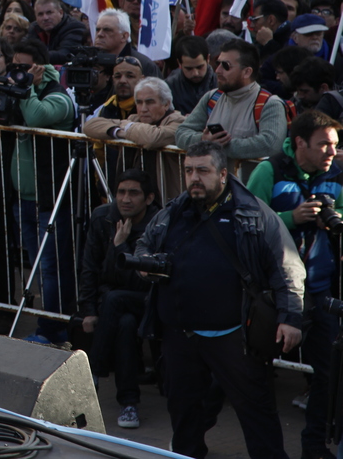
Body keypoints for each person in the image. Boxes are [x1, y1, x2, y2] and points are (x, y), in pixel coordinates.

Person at [136, 140, 304, 459]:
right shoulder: (174, 211)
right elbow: (144, 245)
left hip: (234, 336)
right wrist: (145, 265)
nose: (194, 178)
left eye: (203, 170)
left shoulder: (253, 213)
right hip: (180, 335)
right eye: (188, 171)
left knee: (256, 412)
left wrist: (290, 317)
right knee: (183, 412)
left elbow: (287, 267)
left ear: (223, 174)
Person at [245, 110, 342, 459]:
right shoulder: (268, 171)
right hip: (274, 294)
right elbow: (246, 223)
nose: (332, 152)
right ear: (300, 142)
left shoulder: (337, 175)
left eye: (335, 144)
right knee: (246, 372)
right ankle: (192, 436)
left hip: (320, 290)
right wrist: (291, 218)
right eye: (324, 144)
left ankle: (313, 446)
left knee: (329, 373)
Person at [0, 39, 78, 344]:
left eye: (25, 67)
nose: (19, 72)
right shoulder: (19, 90)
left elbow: (36, 117)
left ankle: (53, 330)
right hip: (24, 199)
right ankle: (49, 327)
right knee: (38, 268)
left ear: (42, 67)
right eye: (15, 66)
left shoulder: (58, 96)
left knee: (51, 268)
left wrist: (26, 87)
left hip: (51, 198)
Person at [76, 169, 158, 430]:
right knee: (124, 323)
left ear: (148, 198)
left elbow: (142, 281)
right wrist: (89, 310)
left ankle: (93, 371)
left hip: (146, 298)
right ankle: (129, 403)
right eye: (121, 192)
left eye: (133, 193)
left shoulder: (157, 225)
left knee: (116, 300)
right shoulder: (102, 217)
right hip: (112, 300)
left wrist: (120, 246)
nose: (125, 199)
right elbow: (89, 268)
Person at [175, 39, 289, 177]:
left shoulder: (270, 104)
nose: (217, 70)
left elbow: (270, 144)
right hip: (214, 188)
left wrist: (217, 147)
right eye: (218, 63)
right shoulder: (212, 98)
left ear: (246, 72)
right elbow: (181, 133)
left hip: (248, 190)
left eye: (226, 66)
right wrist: (203, 140)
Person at [93, 9, 159, 77]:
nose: (99, 34)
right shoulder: (90, 62)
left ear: (124, 36)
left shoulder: (144, 65)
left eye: (107, 30)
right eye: (97, 30)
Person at [28, 0, 88, 64]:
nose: (45, 18)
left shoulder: (75, 27)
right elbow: (24, 48)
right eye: (40, 14)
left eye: (49, 13)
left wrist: (32, 57)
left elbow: (65, 55)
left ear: (61, 12)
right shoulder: (34, 28)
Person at [166, 35, 216, 116]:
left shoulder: (222, 83)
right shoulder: (170, 86)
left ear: (208, 59)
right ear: (179, 63)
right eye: (189, 69)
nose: (195, 73)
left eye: (200, 67)